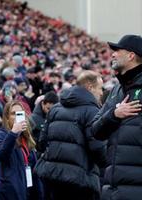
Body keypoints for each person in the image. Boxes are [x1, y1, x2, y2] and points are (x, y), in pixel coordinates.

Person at [35, 70, 106, 200]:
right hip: (79, 181)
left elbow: (41, 143)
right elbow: (98, 148)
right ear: (90, 87)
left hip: (52, 176)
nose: (102, 93)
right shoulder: (92, 111)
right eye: (100, 88)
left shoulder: (55, 108)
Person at [91, 34, 142, 200]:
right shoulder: (116, 91)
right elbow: (95, 130)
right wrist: (114, 115)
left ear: (131, 55)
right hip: (112, 186)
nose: (112, 54)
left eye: (117, 50)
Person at [0, 100, 43, 200]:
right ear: (6, 117)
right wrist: (13, 133)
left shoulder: (25, 136)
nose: (17, 117)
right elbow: (2, 155)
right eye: (13, 114)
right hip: (9, 192)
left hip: (27, 189)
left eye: (19, 114)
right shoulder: (0, 134)